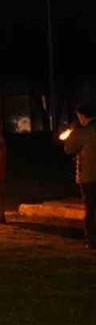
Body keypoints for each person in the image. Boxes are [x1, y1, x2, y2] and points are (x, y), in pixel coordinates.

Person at [62, 103, 96, 249]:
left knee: (91, 208)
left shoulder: (83, 131)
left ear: (82, 116)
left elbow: (69, 149)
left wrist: (71, 134)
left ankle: (92, 240)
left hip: (89, 175)